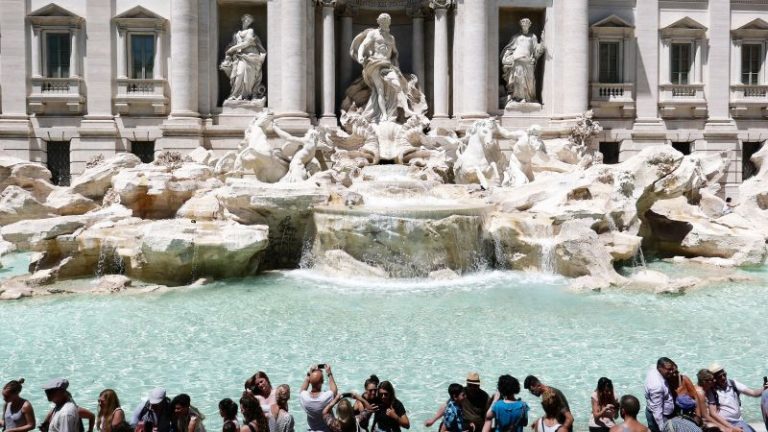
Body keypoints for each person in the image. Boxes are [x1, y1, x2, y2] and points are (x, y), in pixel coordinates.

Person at [349, 13, 419, 123]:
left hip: (387, 64)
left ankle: (406, 110)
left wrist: (396, 65)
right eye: (383, 22)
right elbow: (363, 45)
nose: (385, 24)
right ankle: (384, 115)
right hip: (374, 63)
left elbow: (395, 53)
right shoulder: (373, 34)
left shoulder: (391, 38)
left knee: (397, 86)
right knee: (380, 90)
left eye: (387, 22)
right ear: (379, 22)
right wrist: (360, 56)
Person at [219, 14, 266, 101]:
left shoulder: (250, 31)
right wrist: (230, 53)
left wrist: (232, 49)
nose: (247, 22)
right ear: (243, 20)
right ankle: (236, 94)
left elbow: (246, 43)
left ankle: (245, 96)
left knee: (248, 77)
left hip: (251, 56)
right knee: (239, 74)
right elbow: (234, 45)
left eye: (249, 21)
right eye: (246, 20)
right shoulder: (237, 34)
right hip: (240, 57)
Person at [706, 364, 766, 432]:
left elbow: (754, 393)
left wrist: (764, 388)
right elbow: (713, 413)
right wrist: (731, 428)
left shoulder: (733, 383)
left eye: (724, 375)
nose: (723, 378)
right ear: (714, 379)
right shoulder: (712, 391)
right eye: (720, 377)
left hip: (738, 421)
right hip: (723, 424)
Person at [500, 18, 545, 104]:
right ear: (521, 24)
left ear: (530, 24)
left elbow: (536, 50)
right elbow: (510, 48)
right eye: (523, 23)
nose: (525, 24)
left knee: (529, 81)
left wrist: (542, 41)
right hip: (517, 60)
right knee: (518, 79)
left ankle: (528, 98)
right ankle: (518, 98)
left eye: (527, 23)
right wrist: (508, 57)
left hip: (528, 61)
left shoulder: (533, 37)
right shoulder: (516, 37)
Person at [424, 373, 489, 432]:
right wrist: (433, 420)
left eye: (475, 386)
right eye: (470, 385)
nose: (472, 388)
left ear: (479, 385)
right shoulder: (460, 394)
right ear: (467, 384)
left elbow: (489, 415)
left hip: (473, 425)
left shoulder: (484, 396)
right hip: (461, 424)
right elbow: (446, 406)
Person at [299, 364, 338, 432]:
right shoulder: (325, 398)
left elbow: (302, 390)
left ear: (310, 382)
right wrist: (329, 373)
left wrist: (309, 375)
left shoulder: (304, 397)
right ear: (322, 382)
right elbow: (334, 391)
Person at [645, 358, 677, 432]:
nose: (671, 372)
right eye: (669, 369)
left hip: (653, 409)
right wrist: (663, 428)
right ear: (660, 368)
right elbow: (657, 412)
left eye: (672, 369)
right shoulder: (657, 386)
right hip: (661, 416)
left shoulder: (654, 368)